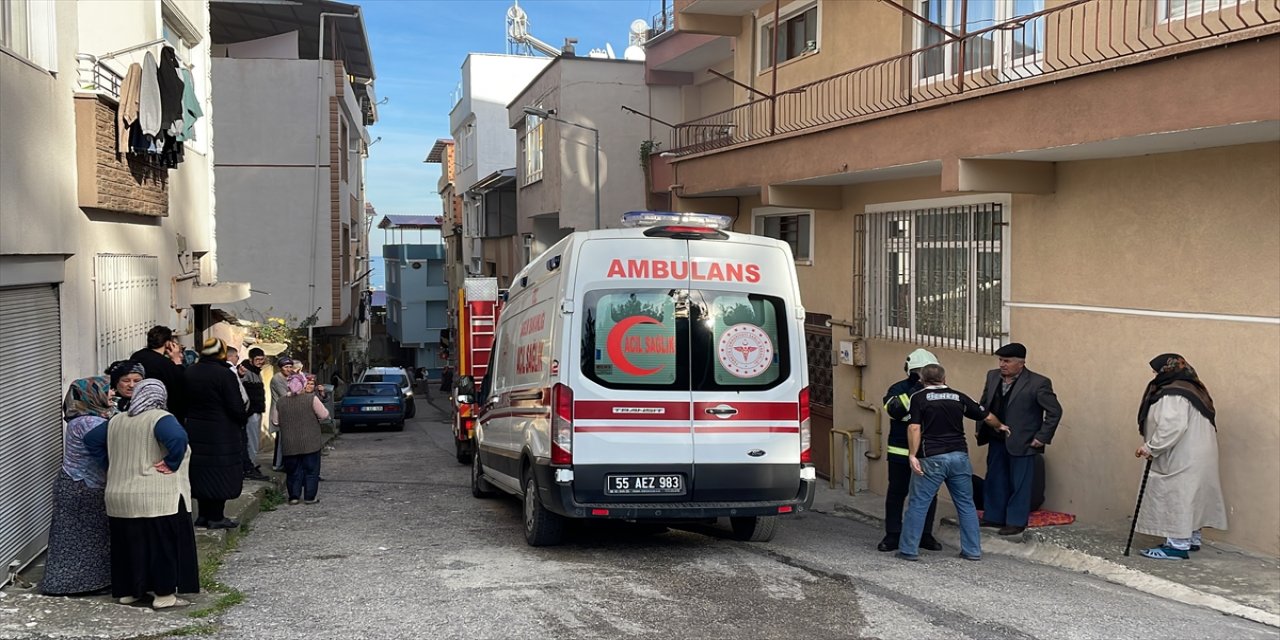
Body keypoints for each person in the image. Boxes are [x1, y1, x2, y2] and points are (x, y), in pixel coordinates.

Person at [85, 379, 199, 609]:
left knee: (129, 547)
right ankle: (164, 596)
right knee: (162, 547)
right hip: (155, 496)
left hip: (120, 497)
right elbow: (178, 438)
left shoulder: (116, 420)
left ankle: (130, 592)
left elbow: (90, 440)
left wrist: (112, 463)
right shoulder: (160, 418)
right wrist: (171, 462)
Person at [899, 364, 1009, 562]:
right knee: (966, 504)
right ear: (944, 378)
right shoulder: (958, 396)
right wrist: (1000, 425)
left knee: (918, 504)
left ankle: (908, 550)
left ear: (922, 380)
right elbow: (986, 415)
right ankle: (972, 550)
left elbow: (914, 428)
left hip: (931, 457)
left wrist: (912, 455)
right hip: (959, 456)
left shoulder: (919, 398)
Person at [1134, 354, 1227, 560]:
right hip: (1197, 454)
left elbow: (1171, 426)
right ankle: (1191, 539)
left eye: (1157, 370)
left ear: (1168, 370)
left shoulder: (1173, 394)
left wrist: (1151, 447)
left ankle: (1177, 545)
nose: (1154, 374)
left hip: (1182, 455)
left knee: (1178, 496)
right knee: (1192, 496)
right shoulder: (1193, 389)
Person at [976, 343, 1063, 536]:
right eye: (1000, 360)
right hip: (996, 437)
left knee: (1020, 483)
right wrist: (979, 427)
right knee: (995, 478)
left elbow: (1054, 411)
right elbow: (983, 404)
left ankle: (1015, 521)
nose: (1002, 365)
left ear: (1021, 363)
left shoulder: (1038, 382)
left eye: (1007, 361)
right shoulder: (992, 376)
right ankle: (994, 516)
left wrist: (1042, 437)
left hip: (1023, 440)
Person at [40, 377, 115, 596]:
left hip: (73, 484)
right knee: (84, 538)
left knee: (79, 537)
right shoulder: (90, 423)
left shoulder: (83, 418)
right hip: (82, 487)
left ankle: (76, 583)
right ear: (92, 396)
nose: (111, 393)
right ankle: (77, 585)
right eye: (106, 390)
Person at [879, 349, 943, 552]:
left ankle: (925, 534)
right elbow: (894, 410)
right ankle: (893, 535)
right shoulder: (898, 388)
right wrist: (914, 391)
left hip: (928, 451)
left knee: (929, 495)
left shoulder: (938, 390)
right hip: (900, 451)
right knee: (897, 493)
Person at [183, 338, 249, 529]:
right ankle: (216, 517)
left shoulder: (190, 372)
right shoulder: (224, 374)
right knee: (221, 473)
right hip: (221, 432)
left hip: (195, 430)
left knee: (202, 472)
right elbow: (235, 404)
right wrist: (241, 419)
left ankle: (203, 515)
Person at [272, 374, 330, 505]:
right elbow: (325, 415)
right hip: (310, 442)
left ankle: (294, 497)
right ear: (303, 385)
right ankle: (310, 497)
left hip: (290, 443)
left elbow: (275, 421)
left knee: (293, 471)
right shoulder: (311, 399)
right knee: (311, 470)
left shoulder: (281, 401)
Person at [130, 325, 188, 423]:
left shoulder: (136, 356)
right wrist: (177, 360)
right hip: (162, 413)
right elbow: (181, 384)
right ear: (168, 343)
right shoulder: (166, 365)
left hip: (137, 407)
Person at [239, 348, 269, 480]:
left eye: (262, 359)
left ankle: (251, 464)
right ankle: (249, 467)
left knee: (253, 440)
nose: (260, 362)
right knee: (252, 441)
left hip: (256, 410)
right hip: (251, 413)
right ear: (251, 360)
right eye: (257, 360)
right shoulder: (245, 372)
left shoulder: (256, 372)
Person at [269, 356, 298, 471]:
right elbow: (284, 395)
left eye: (290, 367)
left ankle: (285, 463)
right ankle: (277, 464)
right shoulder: (277, 379)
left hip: (288, 411)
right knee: (281, 438)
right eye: (286, 367)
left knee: (286, 439)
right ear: (281, 368)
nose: (289, 369)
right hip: (280, 411)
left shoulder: (290, 377)